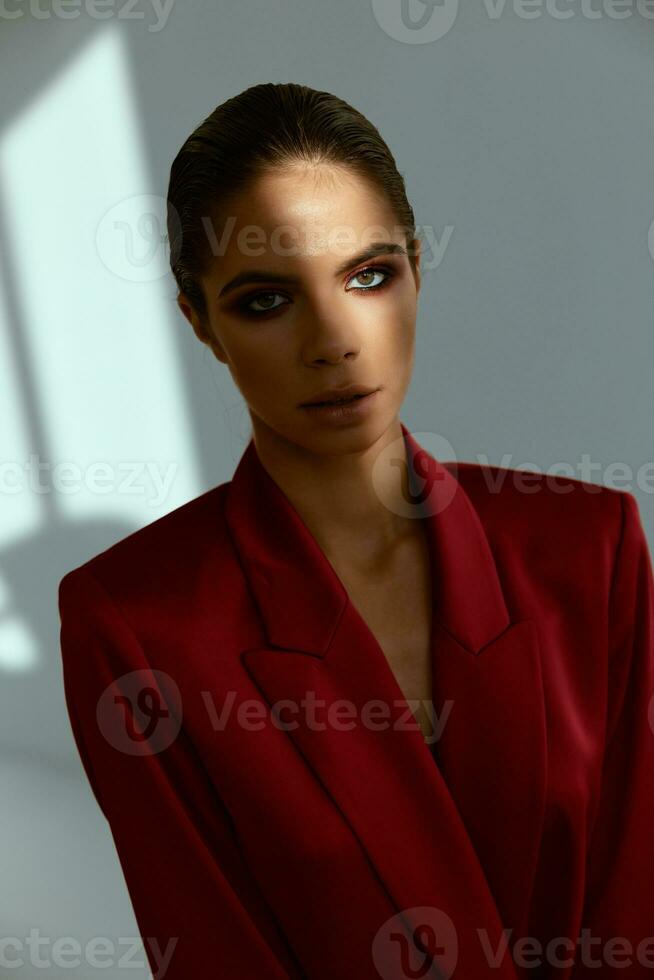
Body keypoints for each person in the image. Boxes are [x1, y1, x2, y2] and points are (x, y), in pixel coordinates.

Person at [58, 82, 654, 979]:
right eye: (267, 300)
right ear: (201, 322)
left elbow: (633, 900)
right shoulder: (136, 623)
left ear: (417, 266)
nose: (334, 339)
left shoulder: (588, 545)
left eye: (369, 275)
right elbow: (213, 948)